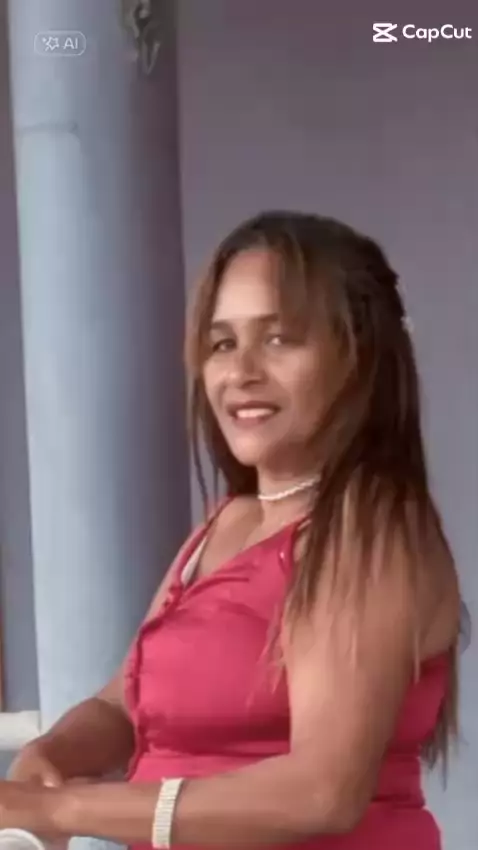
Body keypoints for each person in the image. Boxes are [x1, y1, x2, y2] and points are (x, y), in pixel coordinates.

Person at [1, 211, 461, 849]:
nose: (240, 371)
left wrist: (64, 810)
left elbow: (321, 792)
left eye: (278, 339)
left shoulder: (370, 530)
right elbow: (124, 705)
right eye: (221, 344)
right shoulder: (231, 521)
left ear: (359, 357)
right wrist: (53, 755)